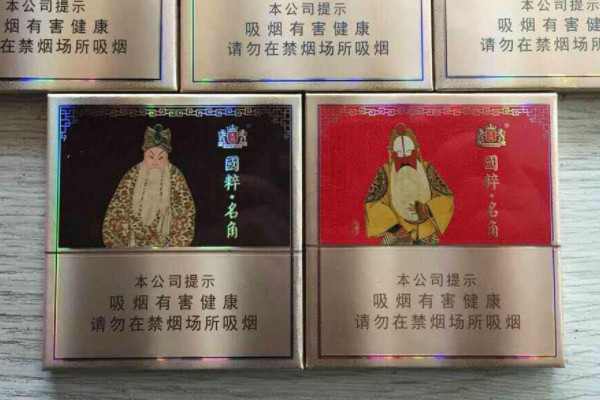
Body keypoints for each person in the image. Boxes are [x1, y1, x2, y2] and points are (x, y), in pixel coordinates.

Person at [102, 124, 195, 248]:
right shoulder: (133, 175)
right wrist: (122, 248)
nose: (155, 162)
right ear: (144, 156)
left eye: (161, 158)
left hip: (165, 246)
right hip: (132, 247)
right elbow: (117, 209)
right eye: (151, 157)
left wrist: (174, 248)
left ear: (166, 158)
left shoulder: (175, 176)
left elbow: (185, 212)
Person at [365, 123, 454, 245]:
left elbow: (446, 197)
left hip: (426, 234)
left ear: (416, 151)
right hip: (397, 236)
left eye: (408, 152)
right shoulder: (385, 172)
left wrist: (428, 209)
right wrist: (395, 228)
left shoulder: (427, 168)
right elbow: (373, 204)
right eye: (399, 153)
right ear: (391, 152)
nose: (404, 157)